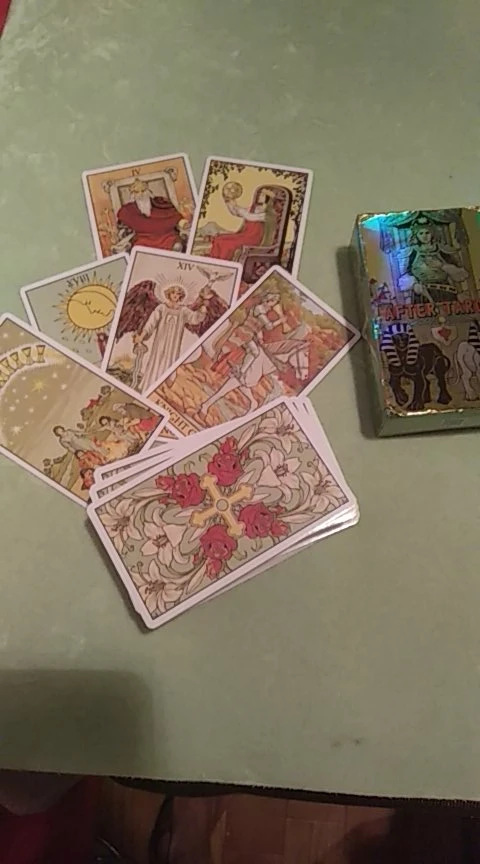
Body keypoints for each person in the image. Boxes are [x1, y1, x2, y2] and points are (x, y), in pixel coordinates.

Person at [133, 285, 207, 392]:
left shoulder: (183, 311)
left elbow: (194, 318)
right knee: (156, 362)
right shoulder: (162, 308)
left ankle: (163, 388)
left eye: (178, 294)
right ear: (168, 294)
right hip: (160, 343)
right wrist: (142, 336)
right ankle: (149, 386)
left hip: (173, 345)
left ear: (181, 296)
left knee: (170, 363)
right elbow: (151, 323)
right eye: (173, 293)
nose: (175, 295)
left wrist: (202, 312)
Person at [399, 220, 469, 303]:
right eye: (421, 233)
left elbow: (460, 273)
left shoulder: (443, 250)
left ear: (432, 234)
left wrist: (442, 266)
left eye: (427, 233)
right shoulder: (411, 252)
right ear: (416, 235)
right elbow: (405, 273)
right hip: (423, 294)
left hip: (445, 292)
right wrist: (414, 285)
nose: (424, 236)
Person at [117, 175, 185, 252]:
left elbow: (174, 216)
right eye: (137, 192)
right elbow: (123, 226)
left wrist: (182, 223)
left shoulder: (161, 202)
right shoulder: (128, 210)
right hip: (143, 239)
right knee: (138, 249)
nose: (141, 194)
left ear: (148, 192)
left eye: (143, 191)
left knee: (177, 245)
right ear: (133, 195)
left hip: (165, 236)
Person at [207, 183, 270, 261]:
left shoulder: (267, 214)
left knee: (227, 244)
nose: (259, 196)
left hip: (252, 238)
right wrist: (229, 202)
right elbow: (235, 212)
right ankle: (213, 261)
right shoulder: (253, 208)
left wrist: (238, 209)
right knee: (218, 239)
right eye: (259, 194)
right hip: (244, 235)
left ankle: (223, 262)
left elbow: (249, 217)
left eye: (262, 195)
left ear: (267, 199)